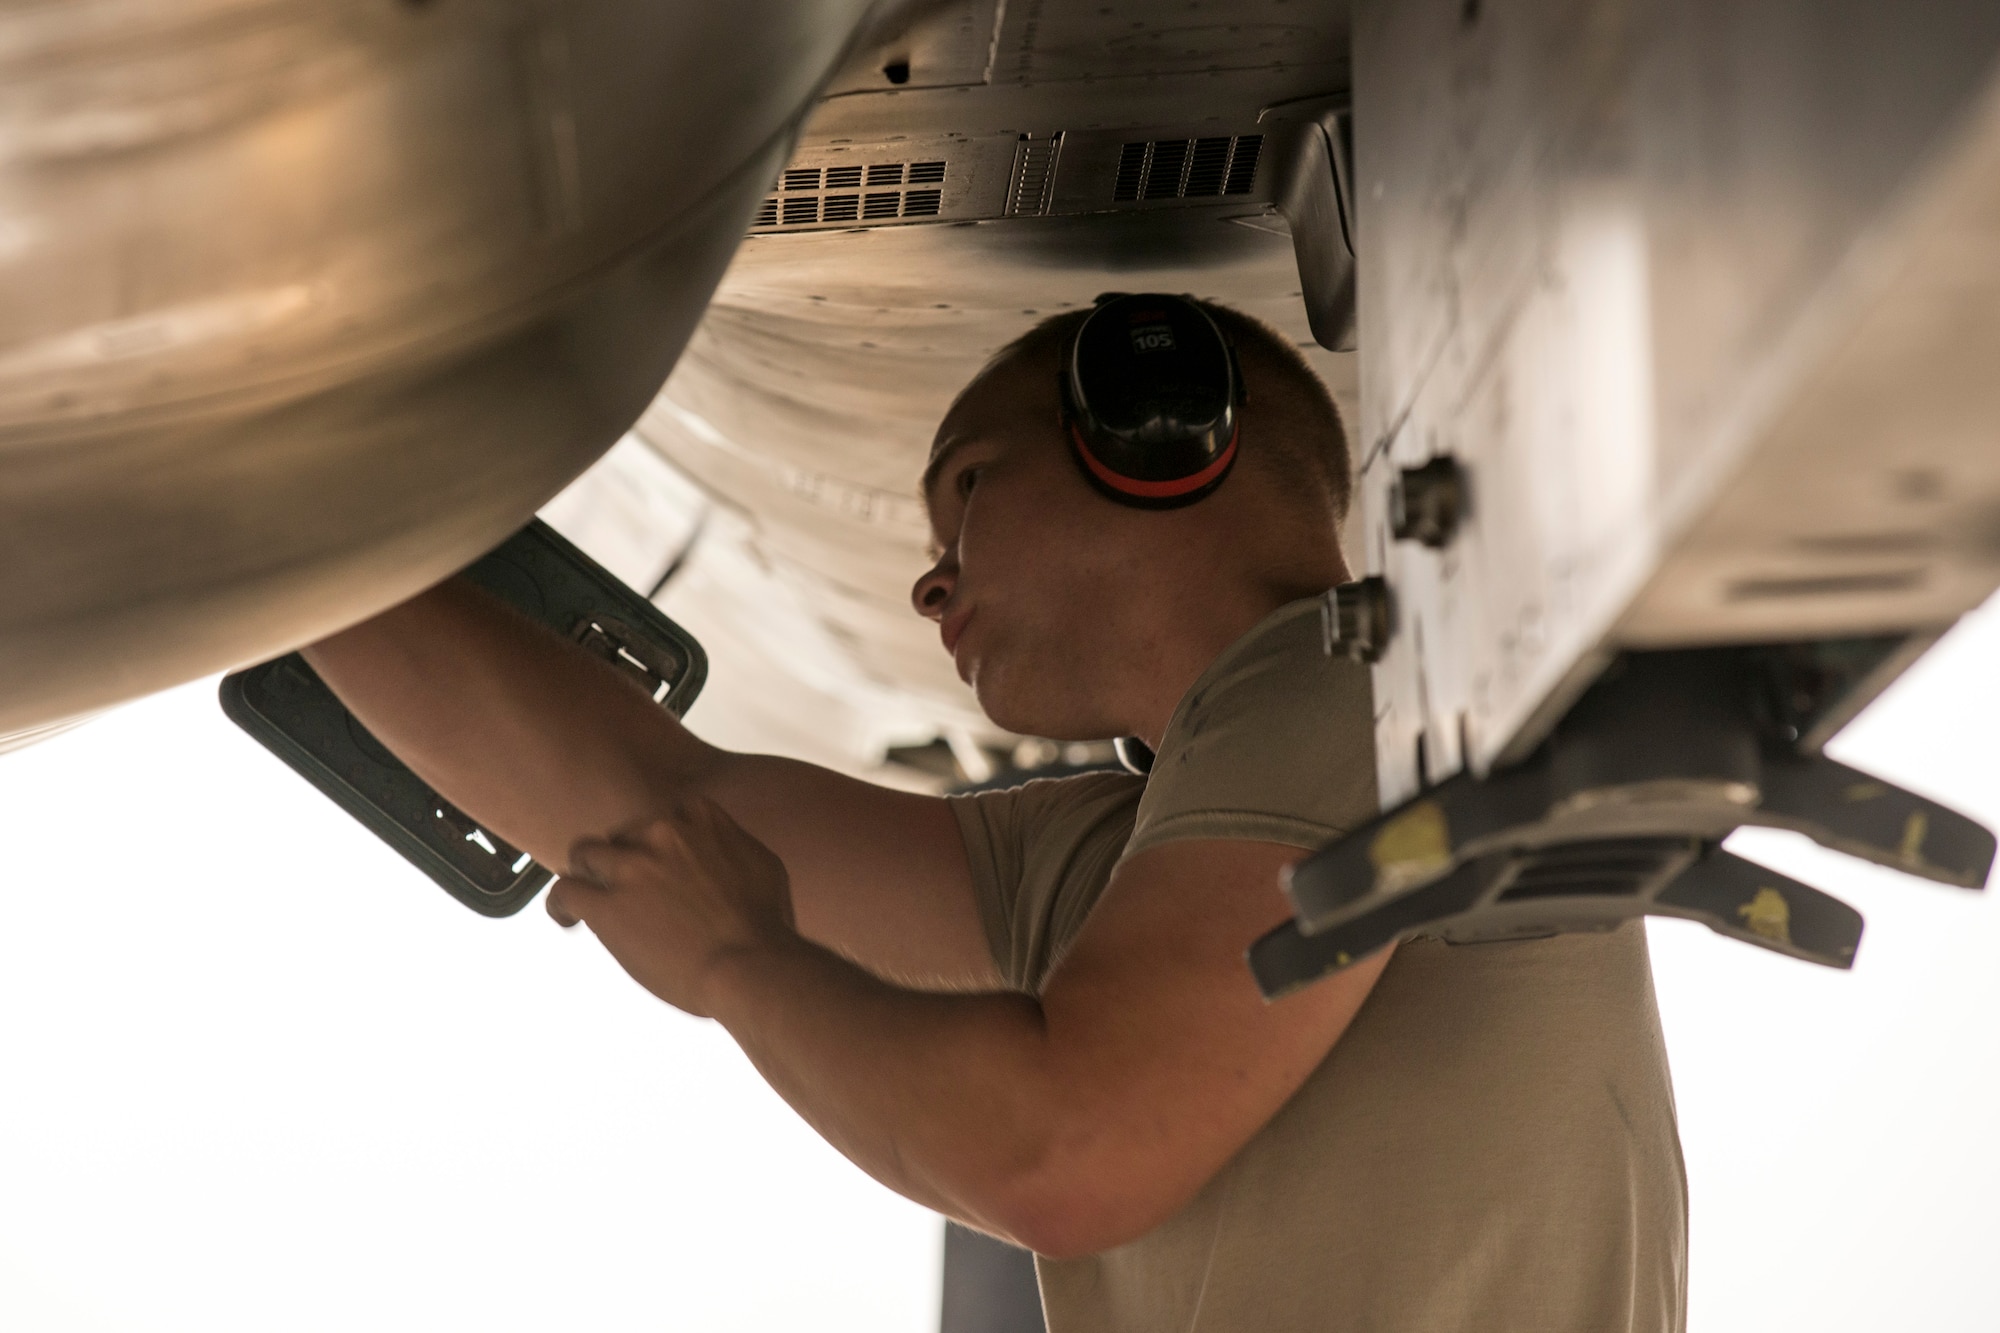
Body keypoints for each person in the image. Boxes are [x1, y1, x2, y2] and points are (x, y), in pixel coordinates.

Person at [304, 296, 1687, 1332]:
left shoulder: (1368, 682)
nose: (930, 586)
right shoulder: (1144, 853)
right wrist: (276, 543)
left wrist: (743, 964)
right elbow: (661, 809)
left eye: (967, 489)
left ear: (1157, 429)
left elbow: (1065, 1147)